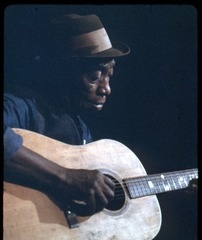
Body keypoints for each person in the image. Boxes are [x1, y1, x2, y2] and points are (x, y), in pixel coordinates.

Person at [4, 13, 131, 217]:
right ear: (60, 71)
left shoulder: (80, 127)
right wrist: (64, 178)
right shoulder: (21, 105)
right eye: (95, 76)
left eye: (109, 75)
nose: (106, 89)